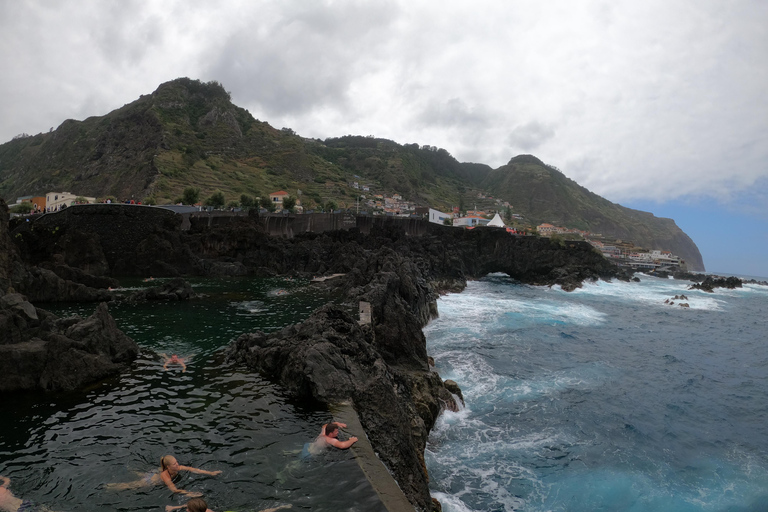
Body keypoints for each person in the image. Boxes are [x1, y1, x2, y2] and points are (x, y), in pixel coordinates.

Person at [106, 455, 221, 495]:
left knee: (141, 474)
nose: (178, 465)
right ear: (168, 467)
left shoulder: (178, 467)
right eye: (175, 464)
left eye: (177, 462)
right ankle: (109, 487)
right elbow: (174, 490)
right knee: (131, 485)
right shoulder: (165, 476)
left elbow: (193, 469)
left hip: (153, 473)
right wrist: (189, 493)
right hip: (150, 480)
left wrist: (210, 473)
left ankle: (130, 470)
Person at [165, 497, 291, 512]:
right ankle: (280, 506)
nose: (186, 510)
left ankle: (280, 506)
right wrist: (173, 507)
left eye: (188, 509)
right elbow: (188, 505)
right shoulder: (203, 509)